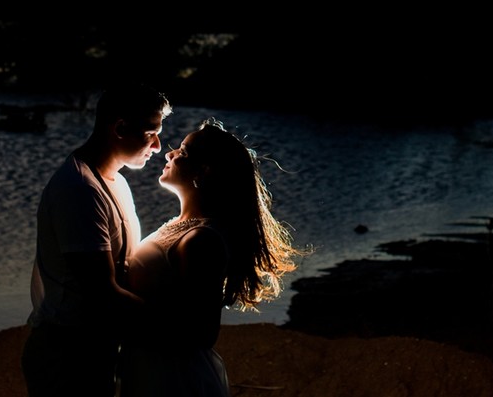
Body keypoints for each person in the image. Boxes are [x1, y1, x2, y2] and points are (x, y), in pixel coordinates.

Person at [117, 117, 303, 397]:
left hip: (172, 378)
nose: (169, 153)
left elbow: (202, 332)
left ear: (202, 171)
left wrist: (113, 299)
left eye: (182, 151)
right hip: (146, 368)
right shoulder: (179, 225)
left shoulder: (202, 240)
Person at [20, 84, 171, 397]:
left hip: (94, 347)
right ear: (119, 128)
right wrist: (173, 325)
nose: (157, 146)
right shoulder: (79, 190)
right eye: (151, 133)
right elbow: (103, 293)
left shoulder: (115, 181)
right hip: (68, 354)